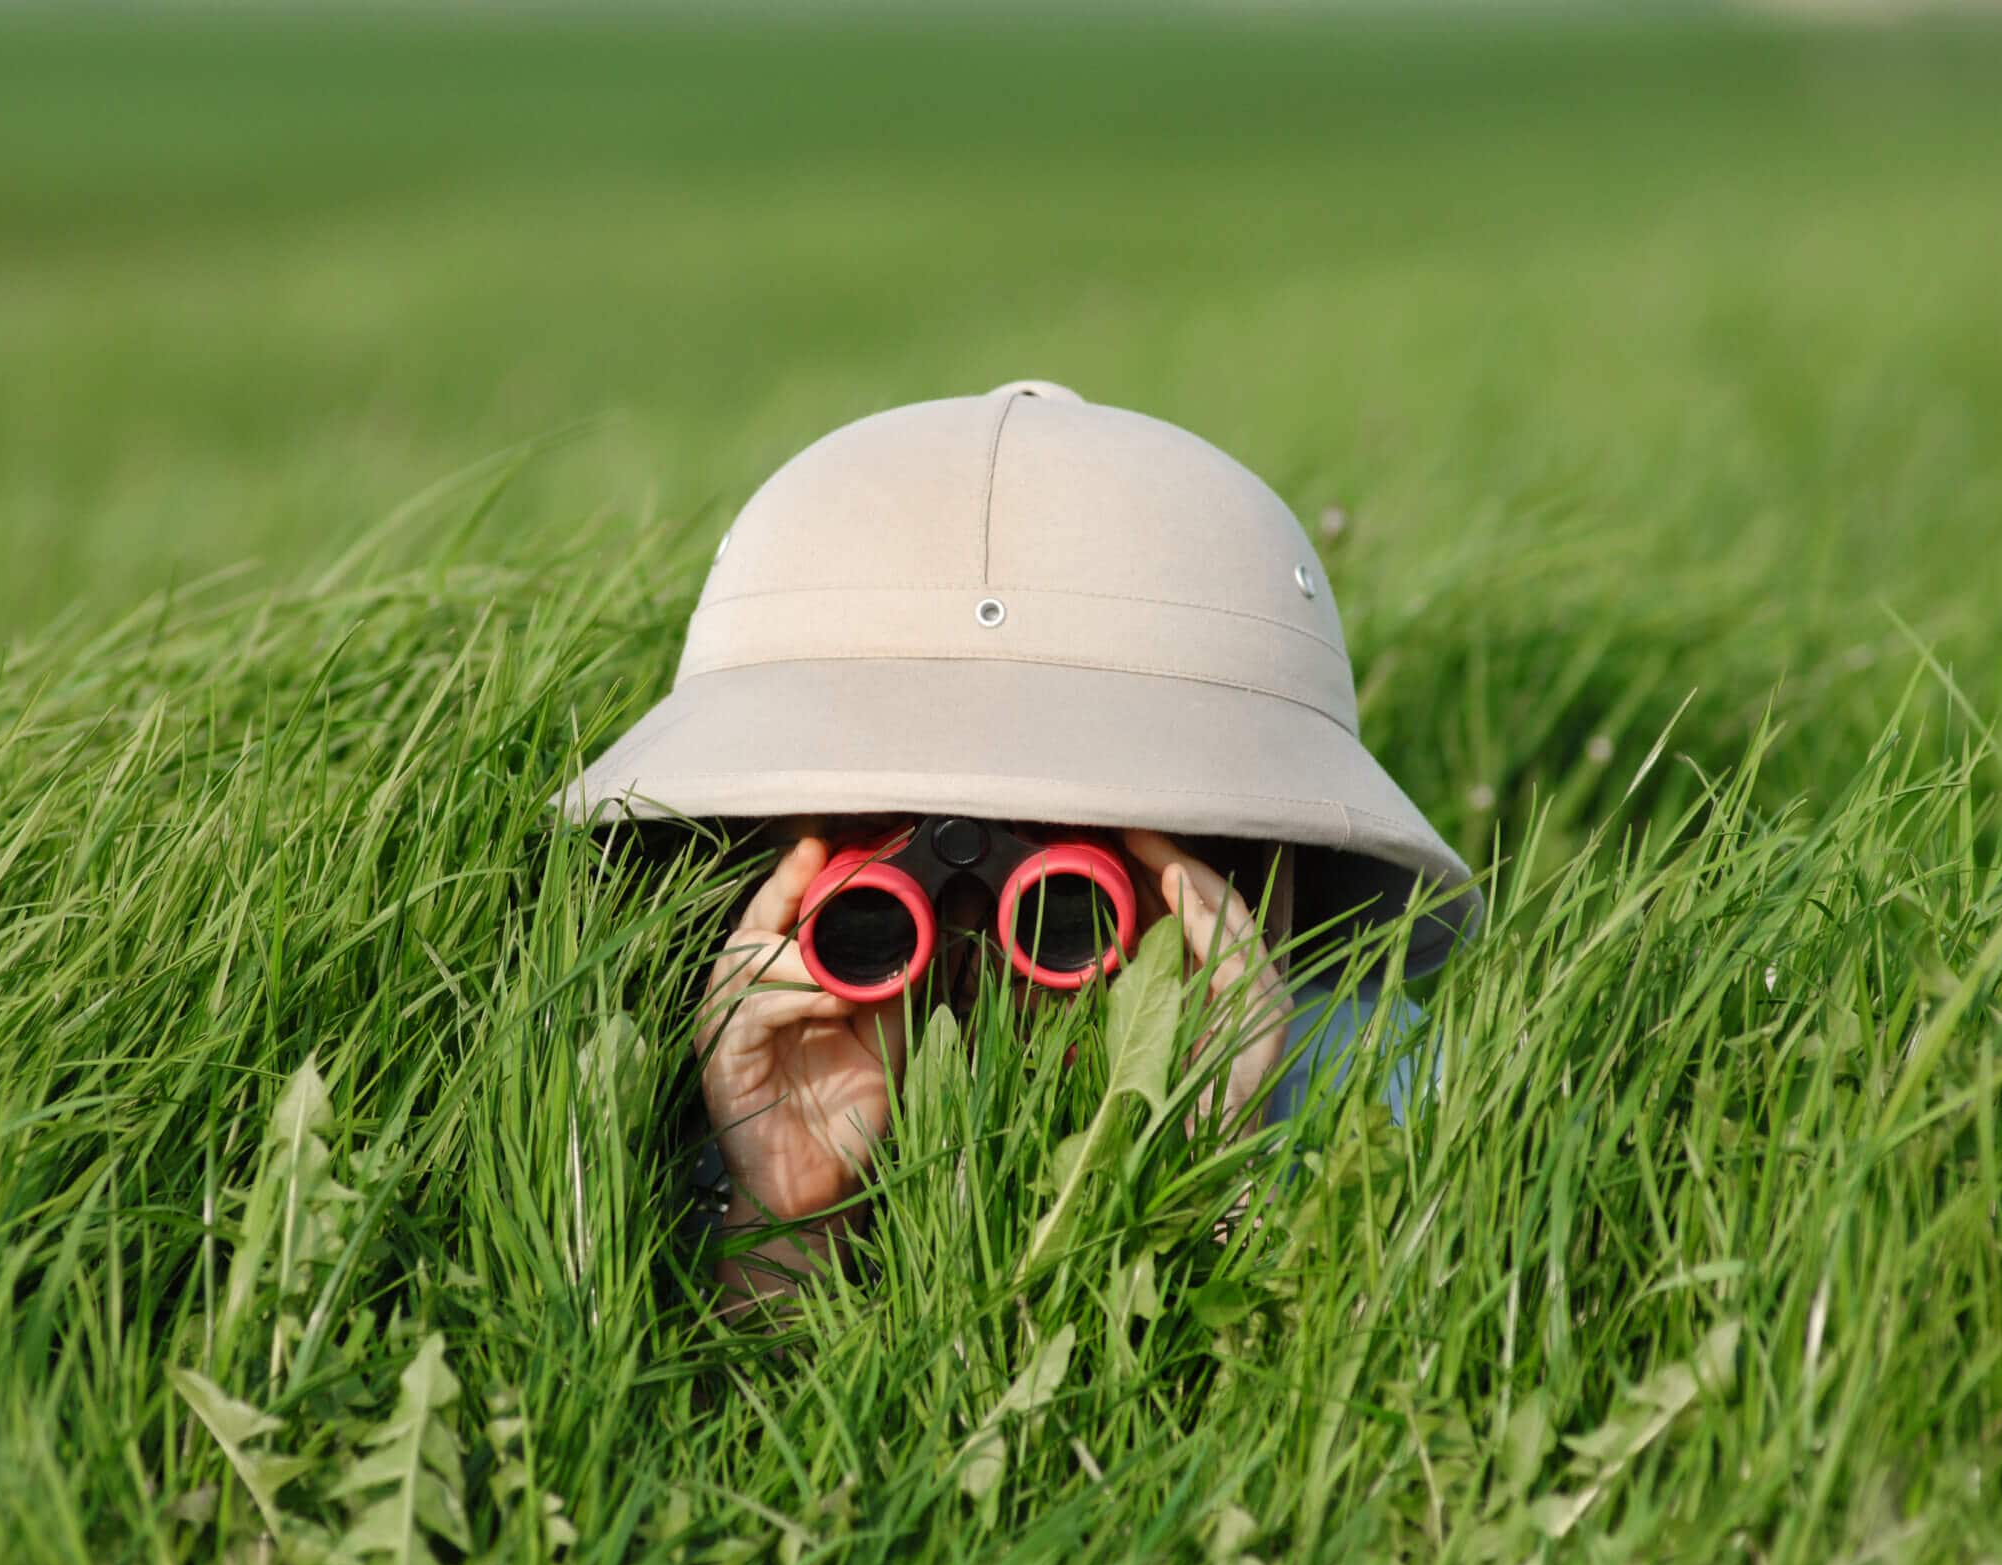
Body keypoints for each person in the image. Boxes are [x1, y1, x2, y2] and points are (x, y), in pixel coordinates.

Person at [563, 380, 1478, 1310]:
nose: (976, 941)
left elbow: (1337, 1446)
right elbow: (709, 1452)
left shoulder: (1393, 1100)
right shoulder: (663, 1117)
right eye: (880, 897)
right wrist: (784, 1214)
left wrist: (1207, 1162)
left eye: (1065, 903)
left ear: (1233, 867)